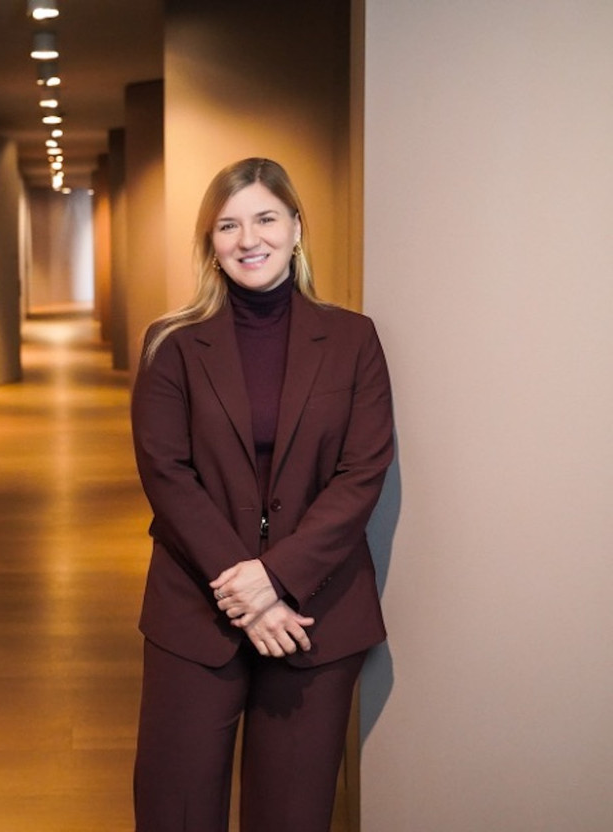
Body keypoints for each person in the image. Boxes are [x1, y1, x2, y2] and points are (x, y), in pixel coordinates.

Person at [130, 158, 394, 831]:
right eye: (228, 224)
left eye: (266, 218)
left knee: (292, 816)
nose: (249, 238)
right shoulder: (171, 345)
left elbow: (362, 472)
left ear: (296, 228)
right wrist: (244, 588)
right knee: (176, 810)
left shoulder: (353, 340)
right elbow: (167, 473)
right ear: (211, 242)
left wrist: (277, 579)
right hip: (195, 610)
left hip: (315, 615)